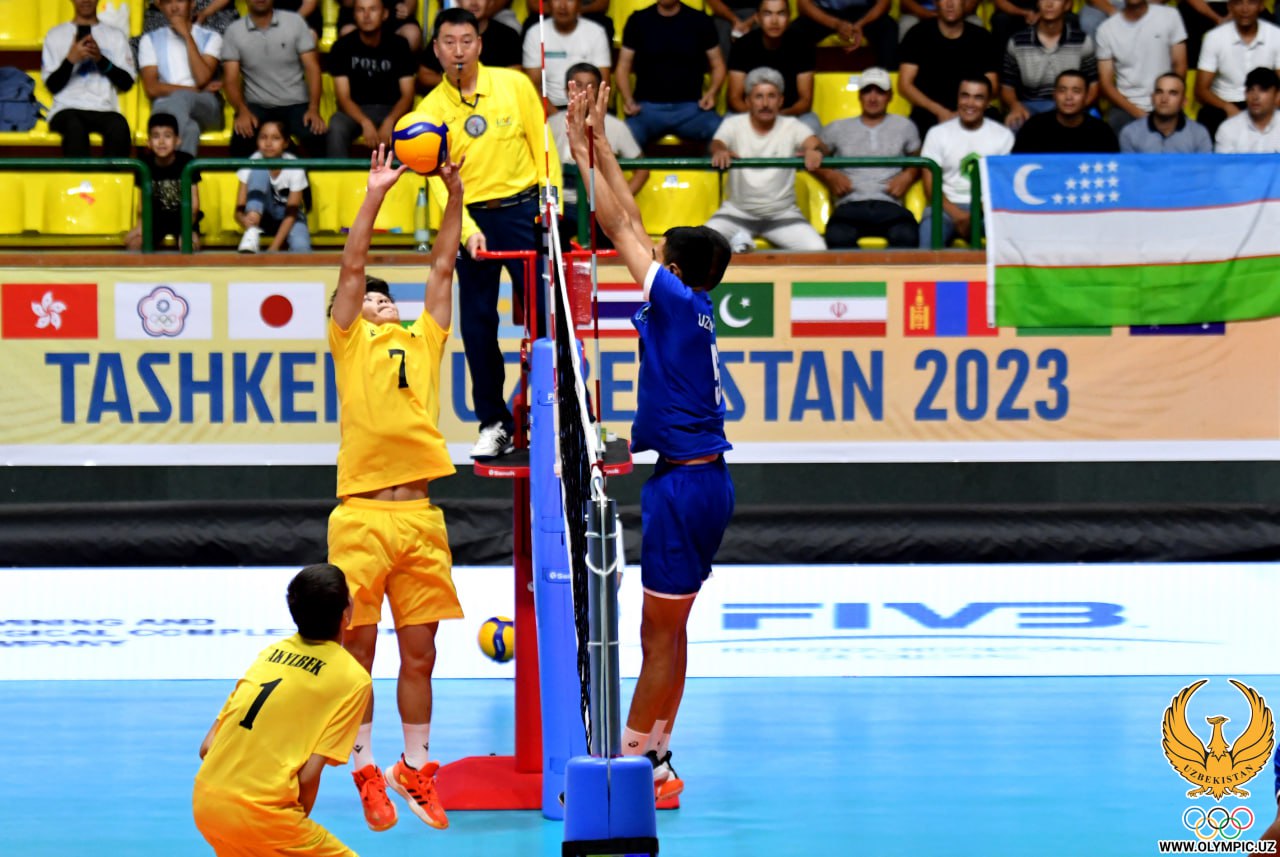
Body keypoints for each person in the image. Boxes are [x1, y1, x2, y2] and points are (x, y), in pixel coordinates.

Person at [564, 79, 735, 805]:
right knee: (675, 627)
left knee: (656, 636)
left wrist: (583, 155)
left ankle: (627, 770)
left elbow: (618, 226)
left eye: (662, 253)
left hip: (684, 486)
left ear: (676, 269)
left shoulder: (673, 298)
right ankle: (660, 758)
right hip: (704, 479)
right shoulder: (691, 303)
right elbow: (633, 221)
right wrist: (601, 143)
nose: (651, 250)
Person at [328, 144, 465, 833]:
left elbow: (443, 264)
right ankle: (364, 768)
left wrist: (454, 194)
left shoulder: (424, 337)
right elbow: (353, 266)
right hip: (359, 520)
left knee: (422, 653)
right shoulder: (350, 341)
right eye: (365, 298)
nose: (374, 299)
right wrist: (376, 193)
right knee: (358, 652)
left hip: (420, 518)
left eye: (385, 296)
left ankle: (414, 767)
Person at [419, 6, 561, 459]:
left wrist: (551, 204)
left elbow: (543, 146)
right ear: (436, 50)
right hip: (470, 219)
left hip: (525, 212)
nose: (458, 51)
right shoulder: (429, 111)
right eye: (449, 43)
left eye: (466, 41)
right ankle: (495, 423)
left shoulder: (514, 85)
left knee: (548, 319)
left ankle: (558, 412)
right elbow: (437, 183)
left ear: (480, 44)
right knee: (478, 324)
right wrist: (466, 231)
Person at [192, 563, 372, 857]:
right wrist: (288, 829)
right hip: (265, 816)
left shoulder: (268, 654)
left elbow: (207, 747)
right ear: (346, 613)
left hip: (206, 802)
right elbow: (308, 777)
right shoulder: (353, 679)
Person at [707, 66, 825, 252]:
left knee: (817, 249)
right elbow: (717, 143)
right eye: (758, 96)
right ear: (748, 101)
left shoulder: (792, 125)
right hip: (736, 213)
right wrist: (720, 151)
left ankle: (741, 241)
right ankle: (740, 238)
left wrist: (814, 151)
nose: (765, 103)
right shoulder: (733, 124)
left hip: (782, 215)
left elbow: (815, 144)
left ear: (781, 101)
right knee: (700, 245)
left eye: (771, 96)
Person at [815, 67, 921, 249]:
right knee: (837, 237)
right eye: (867, 91)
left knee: (906, 235)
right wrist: (829, 175)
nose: (873, 98)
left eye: (880, 91)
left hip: (889, 204)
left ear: (890, 96)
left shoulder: (905, 126)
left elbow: (920, 158)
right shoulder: (837, 128)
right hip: (850, 204)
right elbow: (812, 156)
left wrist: (909, 175)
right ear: (859, 95)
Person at [549, 63, 648, 249]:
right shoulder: (550, 125)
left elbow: (642, 170)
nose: (584, 91)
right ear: (567, 90)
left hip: (601, 204)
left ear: (599, 90)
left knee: (617, 234)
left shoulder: (616, 127)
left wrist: (619, 200)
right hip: (563, 204)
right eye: (578, 85)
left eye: (590, 86)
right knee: (547, 232)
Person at [221, 0, 328, 158]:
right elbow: (230, 79)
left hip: (296, 104)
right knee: (241, 140)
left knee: (316, 136)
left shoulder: (295, 22)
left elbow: (312, 68)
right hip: (257, 105)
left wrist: (313, 109)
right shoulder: (234, 31)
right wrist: (242, 111)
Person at [615, 0, 726, 149]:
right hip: (647, 109)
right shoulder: (638, 20)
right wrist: (628, 99)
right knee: (621, 138)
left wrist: (712, 93)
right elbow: (623, 66)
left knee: (724, 134)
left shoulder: (701, 20)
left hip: (692, 109)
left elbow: (718, 64)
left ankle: (712, 165)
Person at [919, 77, 1014, 247]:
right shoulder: (937, 133)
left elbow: (1001, 186)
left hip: (987, 209)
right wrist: (958, 215)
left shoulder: (1003, 136)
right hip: (945, 208)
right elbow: (930, 186)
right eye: (965, 95)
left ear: (988, 103)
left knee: (1013, 237)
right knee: (929, 237)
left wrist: (975, 216)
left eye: (978, 97)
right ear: (957, 98)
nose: (970, 103)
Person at [41, 0, 136, 158]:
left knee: (119, 126)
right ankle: (81, 175)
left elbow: (126, 83)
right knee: (74, 127)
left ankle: (112, 176)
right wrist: (71, 59)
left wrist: (100, 59)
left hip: (104, 108)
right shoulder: (55, 35)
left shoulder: (116, 36)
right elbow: (52, 85)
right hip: (66, 108)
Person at [326, 0, 416, 157]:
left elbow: (407, 96)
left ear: (385, 14)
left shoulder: (399, 45)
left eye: (373, 9)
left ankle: (402, 172)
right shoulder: (342, 47)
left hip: (392, 109)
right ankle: (338, 173)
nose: (366, 15)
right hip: (355, 111)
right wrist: (365, 122)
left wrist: (390, 121)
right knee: (336, 125)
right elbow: (343, 98)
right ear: (354, 15)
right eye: (361, 10)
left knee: (410, 126)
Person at [898, 0, 998, 137]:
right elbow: (905, 85)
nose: (950, 4)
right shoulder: (917, 34)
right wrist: (940, 111)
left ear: (964, 3)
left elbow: (992, 85)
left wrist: (963, 111)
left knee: (994, 120)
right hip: (929, 111)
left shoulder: (982, 37)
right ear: (936, 3)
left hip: (971, 109)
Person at [138, 0, 224, 157]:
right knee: (191, 129)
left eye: (180, 0)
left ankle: (160, 167)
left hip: (206, 106)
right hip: (165, 107)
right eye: (168, 2)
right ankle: (180, 173)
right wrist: (195, 90)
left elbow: (202, 78)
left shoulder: (212, 37)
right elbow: (152, 88)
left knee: (181, 97)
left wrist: (187, 36)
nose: (174, 7)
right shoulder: (150, 40)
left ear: (192, 4)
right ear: (161, 6)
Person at [1002, 0, 1098, 131]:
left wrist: (1077, 107)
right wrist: (1015, 106)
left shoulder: (1082, 41)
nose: (1049, 3)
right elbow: (1007, 87)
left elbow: (1093, 85)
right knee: (1014, 125)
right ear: (1037, 3)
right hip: (1031, 105)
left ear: (1067, 5)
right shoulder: (1017, 41)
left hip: (1071, 103)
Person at [726, 0, 819, 133]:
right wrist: (760, 117)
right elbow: (734, 98)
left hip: (790, 114)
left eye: (781, 14)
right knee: (727, 126)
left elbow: (805, 100)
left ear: (789, 17)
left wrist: (779, 117)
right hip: (750, 114)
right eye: (768, 14)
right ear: (757, 18)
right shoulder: (742, 46)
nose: (774, 21)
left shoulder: (803, 46)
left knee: (812, 125)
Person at [1095, 0, 1187, 134]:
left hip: (1167, 102)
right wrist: (1139, 114)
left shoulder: (1170, 16)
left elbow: (1180, 65)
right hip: (1127, 107)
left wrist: (1168, 102)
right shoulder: (1106, 29)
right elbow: (1106, 84)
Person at [1195, 0, 1280, 139]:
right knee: (1207, 116)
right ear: (1229, 6)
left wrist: (1266, 110)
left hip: (1264, 103)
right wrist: (1227, 107)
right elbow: (1201, 91)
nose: (1245, 9)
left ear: (1261, 6)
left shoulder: (1276, 36)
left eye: (1251, 3)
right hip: (1226, 103)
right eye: (1238, 3)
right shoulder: (1214, 37)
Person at [126, 113, 202, 251]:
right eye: (156, 136)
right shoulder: (143, 165)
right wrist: (140, 226)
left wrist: (187, 230)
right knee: (134, 244)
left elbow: (194, 205)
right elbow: (142, 204)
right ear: (148, 142)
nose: (161, 142)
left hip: (183, 218)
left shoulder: (187, 162)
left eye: (167, 136)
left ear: (177, 140)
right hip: (156, 218)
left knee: (189, 245)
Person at [235, 119, 311, 253]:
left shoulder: (295, 165)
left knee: (302, 248)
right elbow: (238, 210)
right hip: (263, 219)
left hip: (289, 219)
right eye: (263, 137)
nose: (268, 143)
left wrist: (274, 247)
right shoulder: (251, 162)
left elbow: (292, 214)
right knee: (259, 168)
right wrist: (245, 221)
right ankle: (251, 234)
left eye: (275, 138)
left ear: (285, 143)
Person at [522, 0, 612, 111]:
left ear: (579, 4)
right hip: (549, 109)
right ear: (548, 3)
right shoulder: (535, 33)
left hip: (588, 109)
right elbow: (533, 86)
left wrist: (588, 116)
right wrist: (557, 116)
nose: (562, 6)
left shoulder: (596, 32)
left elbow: (604, 84)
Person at [418, 0, 523, 91]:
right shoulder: (447, 35)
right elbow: (424, 76)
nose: (474, 3)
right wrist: (458, 83)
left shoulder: (508, 36)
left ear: (490, 1)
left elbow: (515, 78)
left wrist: (475, 84)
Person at [1012, 69, 1119, 152]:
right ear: (1054, 95)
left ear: (1086, 96)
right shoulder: (1034, 128)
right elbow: (1017, 166)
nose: (1068, 97)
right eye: (1062, 91)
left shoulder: (1101, 132)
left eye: (1076, 91)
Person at [1118, 71, 1213, 152]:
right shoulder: (1130, 133)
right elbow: (1128, 168)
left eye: (1173, 93)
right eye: (1159, 92)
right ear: (1152, 98)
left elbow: (1204, 168)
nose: (1164, 99)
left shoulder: (1199, 134)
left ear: (1184, 101)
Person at [791, 0, 899, 70]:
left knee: (888, 27)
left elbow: (885, 3)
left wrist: (861, 24)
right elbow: (803, 5)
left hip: (863, 12)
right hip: (825, 12)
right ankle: (799, 92)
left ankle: (884, 87)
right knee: (796, 31)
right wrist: (836, 24)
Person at [1214, 65, 1280, 151]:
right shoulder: (1228, 129)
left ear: (1277, 95)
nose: (1255, 97)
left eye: (1263, 90)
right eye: (1251, 90)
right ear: (1245, 93)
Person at [338, 0, 423, 50]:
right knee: (347, 32)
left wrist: (407, 8)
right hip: (359, 15)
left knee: (412, 34)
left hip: (394, 15)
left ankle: (398, 68)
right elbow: (347, 3)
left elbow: (411, 2)